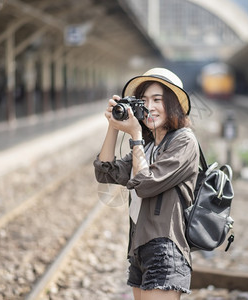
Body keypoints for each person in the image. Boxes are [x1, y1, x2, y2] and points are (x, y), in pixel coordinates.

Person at [93, 68, 199, 299]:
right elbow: (105, 172)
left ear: (173, 105)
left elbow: (145, 184)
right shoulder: (149, 145)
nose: (149, 107)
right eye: (144, 101)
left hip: (165, 247)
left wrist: (136, 137)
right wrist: (113, 124)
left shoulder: (184, 141)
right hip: (139, 248)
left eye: (157, 100)